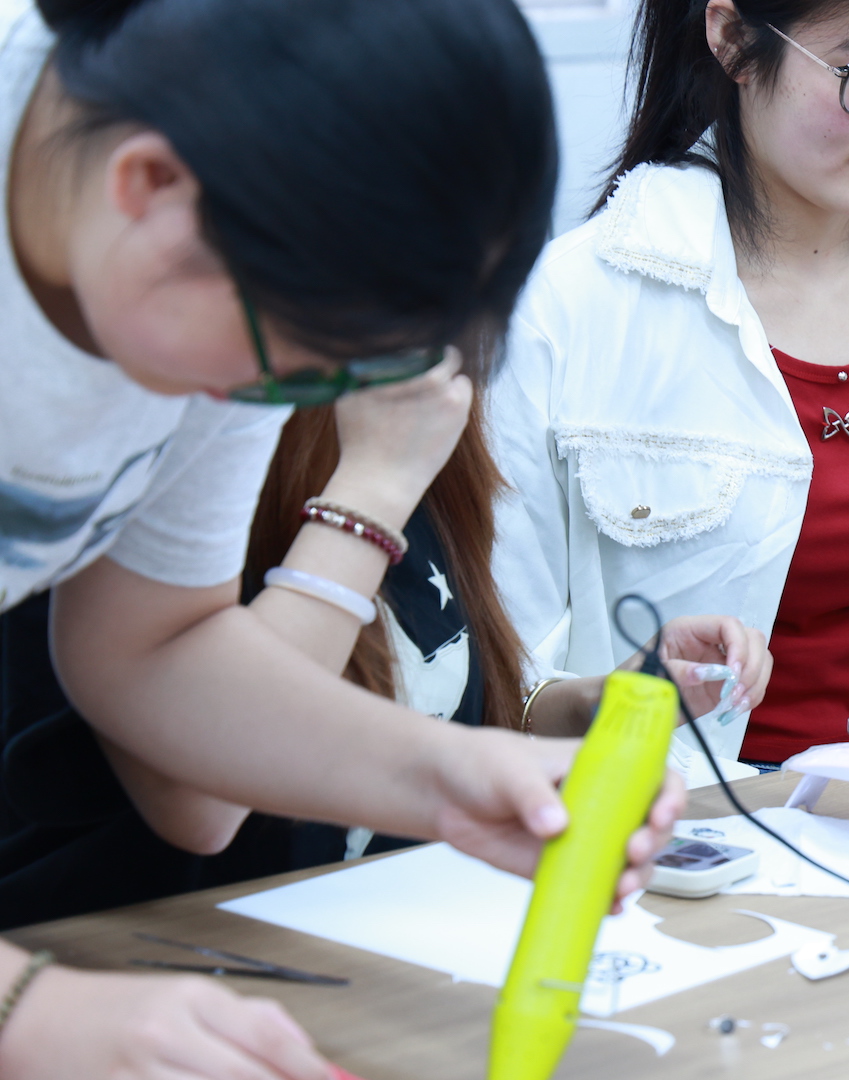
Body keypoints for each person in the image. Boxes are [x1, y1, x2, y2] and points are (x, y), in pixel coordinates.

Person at [0, 0, 677, 1075]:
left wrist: (453, 775)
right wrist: (25, 1008)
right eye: (304, 368)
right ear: (151, 188)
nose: (277, 405)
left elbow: (152, 647)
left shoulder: (232, 249)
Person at [490, 0, 849, 768]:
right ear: (732, 38)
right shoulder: (569, 309)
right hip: (662, 822)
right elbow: (495, 680)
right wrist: (615, 701)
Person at [0, 379, 771, 927]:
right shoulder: (193, 424)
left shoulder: (416, 427)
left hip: (373, 942)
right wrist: (372, 488)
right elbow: (208, 785)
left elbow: (424, 695)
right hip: (144, 965)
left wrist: (589, 704)